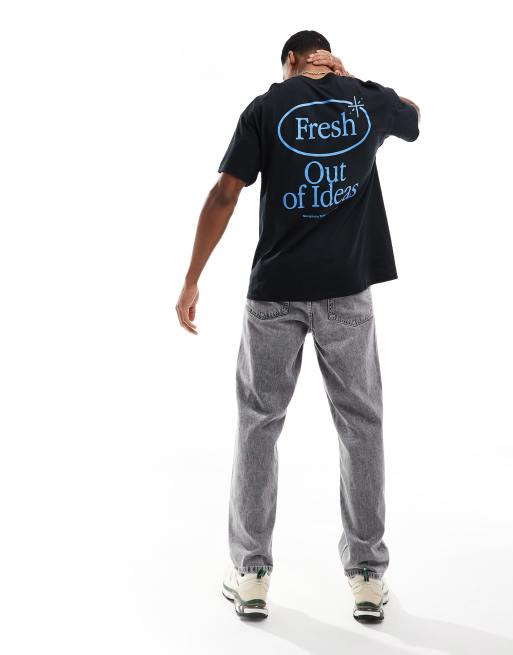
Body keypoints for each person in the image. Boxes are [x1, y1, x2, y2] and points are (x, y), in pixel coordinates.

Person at [176, 30, 420, 623]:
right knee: (361, 426)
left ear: (290, 60)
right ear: (325, 58)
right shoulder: (366, 100)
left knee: (258, 427)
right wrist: (353, 79)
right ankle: (367, 577)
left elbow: (225, 194)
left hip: (275, 295)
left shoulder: (265, 107)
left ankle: (251, 574)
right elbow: (413, 117)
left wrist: (191, 278)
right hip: (346, 291)